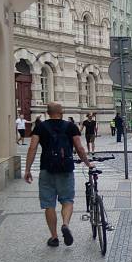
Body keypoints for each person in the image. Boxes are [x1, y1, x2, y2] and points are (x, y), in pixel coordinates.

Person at [23, 102, 93, 247]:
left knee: (49, 204)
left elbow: (32, 148)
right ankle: (66, 224)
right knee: (67, 200)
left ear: (47, 113)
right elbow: (79, 147)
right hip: (66, 168)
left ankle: (54, 237)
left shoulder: (40, 127)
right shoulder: (70, 126)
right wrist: (87, 163)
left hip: (46, 169)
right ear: (62, 112)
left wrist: (28, 169)